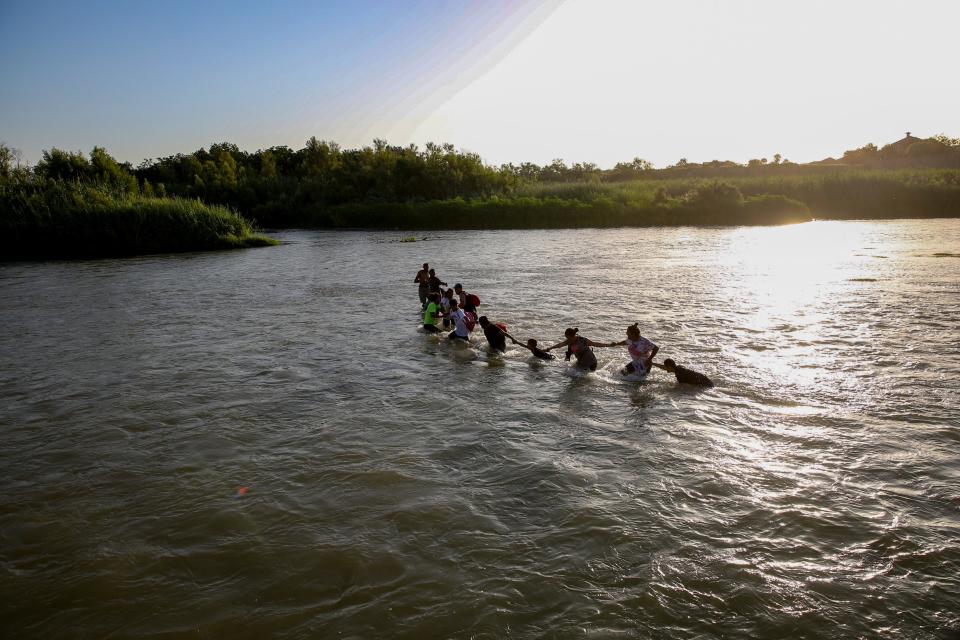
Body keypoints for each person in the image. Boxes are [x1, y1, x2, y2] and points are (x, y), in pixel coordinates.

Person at [544, 327, 610, 372]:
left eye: (568, 338)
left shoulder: (582, 340)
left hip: (591, 362)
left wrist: (609, 345)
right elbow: (559, 345)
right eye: (566, 338)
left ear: (573, 336)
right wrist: (549, 348)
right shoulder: (568, 341)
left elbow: (595, 344)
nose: (567, 339)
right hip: (581, 363)